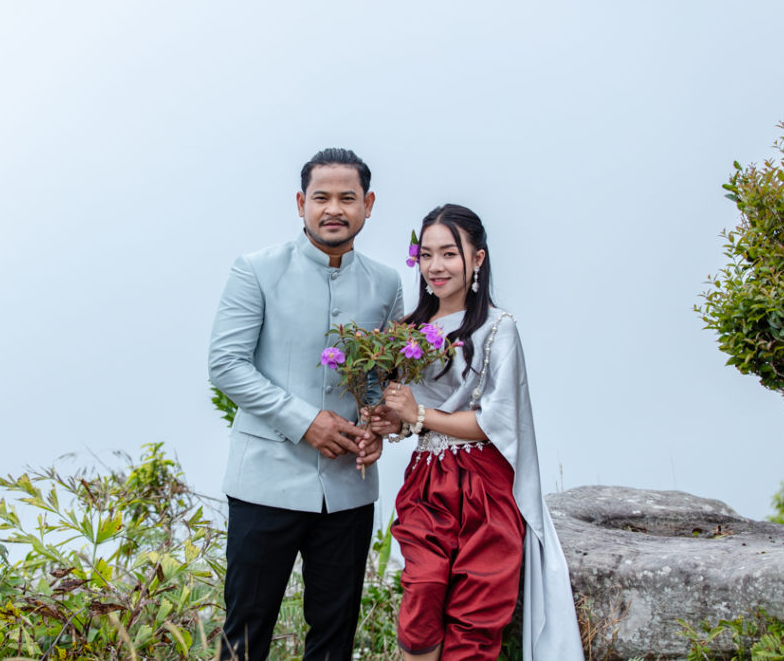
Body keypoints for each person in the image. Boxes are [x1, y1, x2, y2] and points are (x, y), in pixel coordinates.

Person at [208, 148, 404, 660]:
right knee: (245, 636)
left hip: (348, 490)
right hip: (264, 482)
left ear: (368, 205)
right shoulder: (256, 270)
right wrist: (306, 421)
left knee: (335, 639)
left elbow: (382, 377)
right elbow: (226, 365)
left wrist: (377, 427)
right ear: (301, 204)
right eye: (321, 197)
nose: (333, 209)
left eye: (347, 197)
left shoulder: (386, 283)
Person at [367, 204, 585, 660]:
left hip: (484, 483)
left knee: (477, 613)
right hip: (428, 482)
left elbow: (493, 423)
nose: (436, 266)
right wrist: (391, 422)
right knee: (422, 593)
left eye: (449, 253)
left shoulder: (498, 329)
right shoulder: (407, 331)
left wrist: (419, 414)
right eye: (427, 255)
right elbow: (406, 416)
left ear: (477, 258)